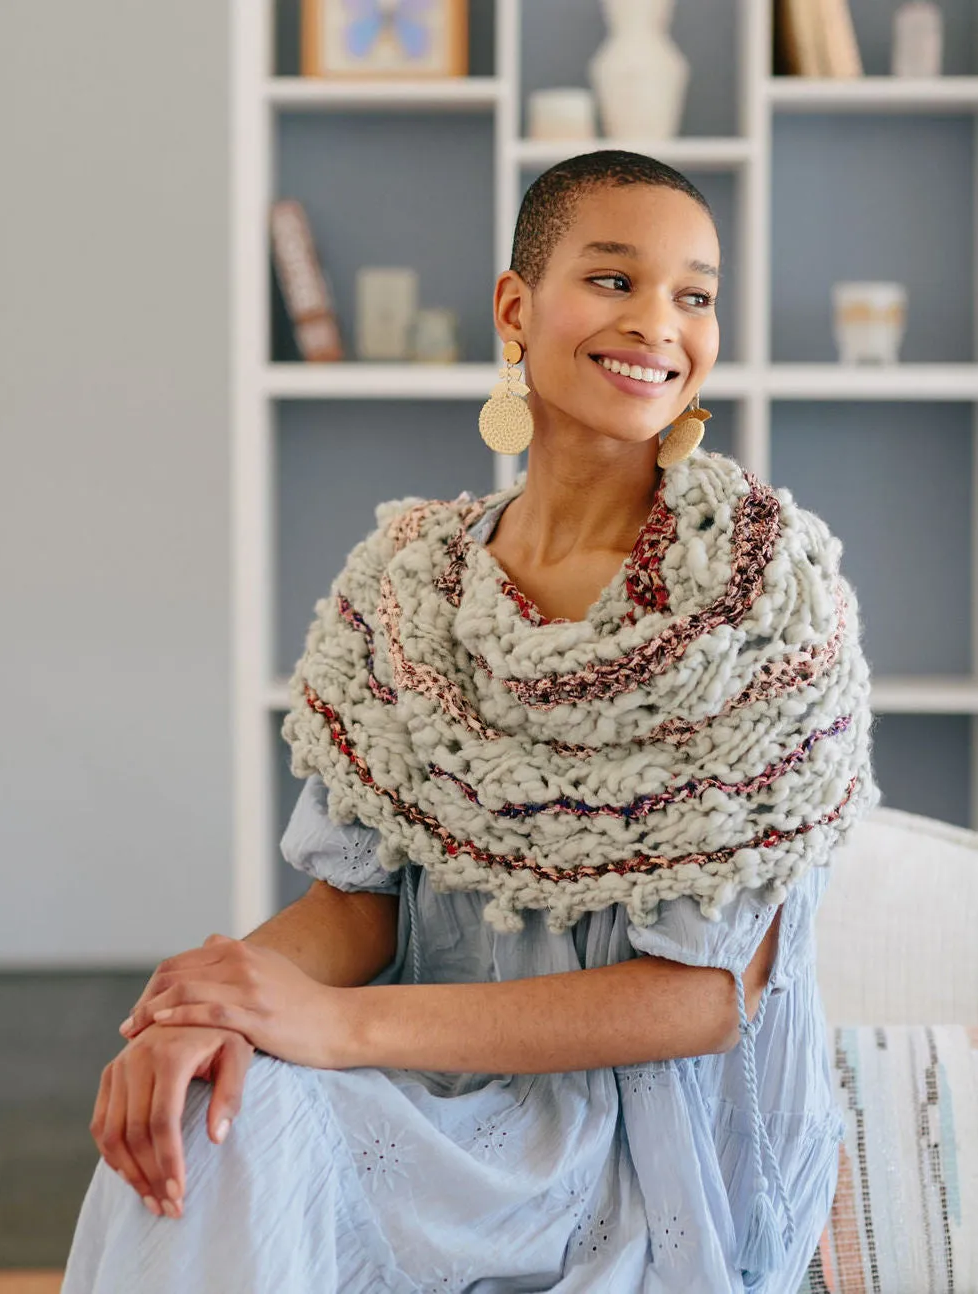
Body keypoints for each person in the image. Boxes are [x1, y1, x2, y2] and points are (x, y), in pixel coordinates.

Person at [62, 150, 879, 1293]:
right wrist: (210, 1009)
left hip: (653, 1153)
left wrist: (334, 1032)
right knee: (215, 1109)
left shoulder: (758, 592)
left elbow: (701, 996)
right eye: (612, 279)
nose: (659, 322)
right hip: (434, 1101)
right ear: (516, 306)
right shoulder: (407, 586)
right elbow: (351, 907)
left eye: (694, 294)